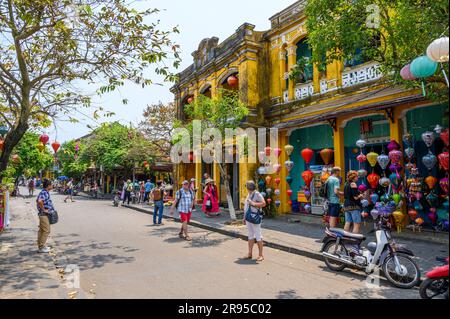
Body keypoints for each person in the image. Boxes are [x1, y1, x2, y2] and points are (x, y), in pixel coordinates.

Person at [242, 181, 266, 262]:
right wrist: (244, 217)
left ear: (249, 187)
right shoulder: (249, 194)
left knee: (258, 235)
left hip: (255, 217)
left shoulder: (257, 194)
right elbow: (246, 207)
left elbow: (264, 203)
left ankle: (261, 255)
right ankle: (250, 253)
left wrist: (253, 203)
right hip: (249, 217)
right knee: (250, 235)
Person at [36, 179, 55, 253]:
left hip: (43, 214)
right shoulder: (44, 192)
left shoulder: (44, 192)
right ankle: (42, 247)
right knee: (47, 230)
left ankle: (41, 246)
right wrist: (44, 209)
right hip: (44, 214)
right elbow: (39, 201)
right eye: (51, 185)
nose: (52, 186)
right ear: (48, 186)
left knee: (41, 230)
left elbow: (38, 200)